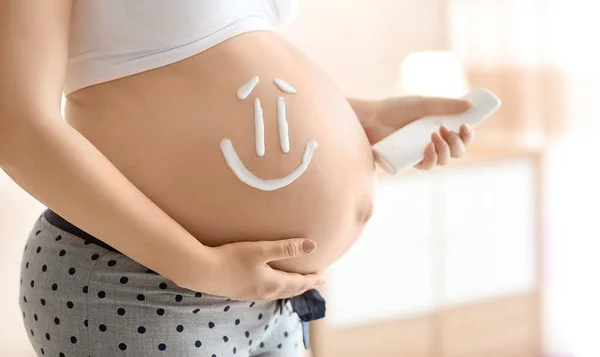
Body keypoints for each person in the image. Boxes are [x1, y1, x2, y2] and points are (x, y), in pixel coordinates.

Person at [2, 1, 474, 356]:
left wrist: (358, 119)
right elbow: (17, 126)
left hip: (272, 301)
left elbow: (205, 68)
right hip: (139, 286)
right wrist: (200, 266)